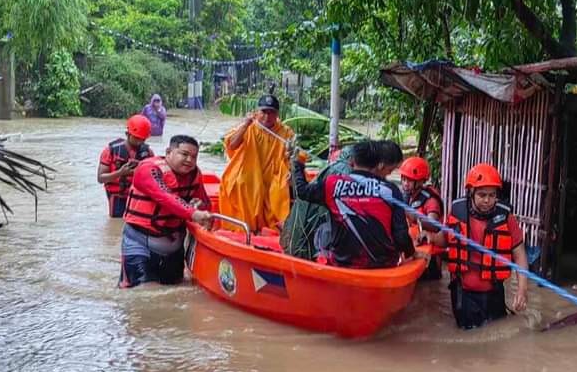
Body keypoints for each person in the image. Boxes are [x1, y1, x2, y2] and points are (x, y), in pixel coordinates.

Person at [291, 139, 416, 268]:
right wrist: (413, 253)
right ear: (378, 165)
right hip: (383, 265)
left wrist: (298, 163)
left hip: (343, 264)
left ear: (351, 162)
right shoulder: (391, 190)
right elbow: (401, 237)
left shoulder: (332, 183)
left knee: (322, 231)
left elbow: (302, 191)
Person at [441, 164, 529, 329]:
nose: (487, 200)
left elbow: (520, 255)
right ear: (471, 193)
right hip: (464, 293)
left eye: (492, 195)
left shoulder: (506, 217)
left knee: (496, 336)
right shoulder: (457, 211)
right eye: (482, 195)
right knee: (467, 335)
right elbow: (444, 239)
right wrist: (427, 236)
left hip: (493, 293)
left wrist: (522, 290)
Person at [119, 135, 212, 288]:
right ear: (168, 152)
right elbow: (164, 196)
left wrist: (201, 207)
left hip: (174, 245)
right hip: (140, 241)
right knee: (143, 292)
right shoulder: (148, 169)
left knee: (176, 288)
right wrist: (193, 213)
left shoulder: (194, 174)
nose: (189, 160)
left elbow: (205, 203)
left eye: (194, 156)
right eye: (184, 154)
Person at [218, 93, 295, 232]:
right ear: (257, 112)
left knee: (280, 188)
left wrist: (291, 168)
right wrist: (246, 124)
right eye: (264, 112)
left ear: (277, 114)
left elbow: (296, 156)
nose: (267, 116)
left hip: (275, 174)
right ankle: (246, 228)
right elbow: (232, 146)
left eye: (272, 113)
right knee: (243, 183)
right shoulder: (248, 127)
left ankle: (277, 228)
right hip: (249, 171)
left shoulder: (286, 132)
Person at [97, 114, 155, 217]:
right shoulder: (110, 151)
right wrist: (120, 173)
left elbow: (154, 178)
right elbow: (101, 178)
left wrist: (141, 167)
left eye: (143, 139)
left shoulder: (148, 152)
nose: (139, 142)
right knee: (117, 222)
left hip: (138, 196)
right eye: (136, 138)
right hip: (118, 196)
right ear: (127, 134)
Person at [399, 156, 444, 280]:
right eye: (403, 179)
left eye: (409, 180)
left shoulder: (430, 200)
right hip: (415, 249)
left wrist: (410, 214)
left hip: (430, 255)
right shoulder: (407, 196)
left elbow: (434, 224)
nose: (405, 183)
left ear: (420, 181)